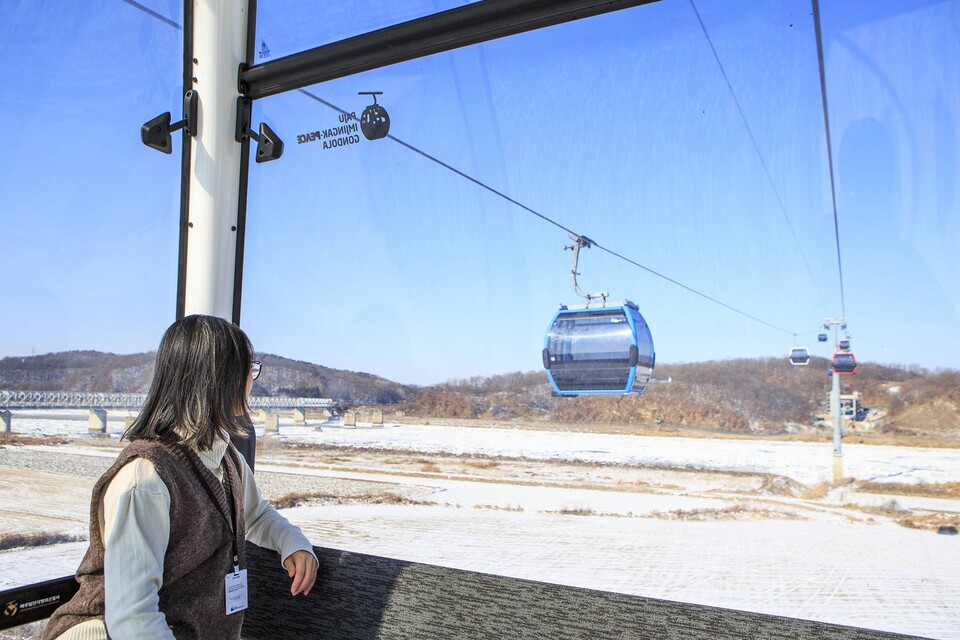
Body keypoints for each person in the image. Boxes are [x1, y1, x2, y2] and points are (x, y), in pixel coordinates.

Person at [43, 315, 318, 639]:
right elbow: (133, 620)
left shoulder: (227, 459)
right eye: (249, 370)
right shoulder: (144, 481)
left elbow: (255, 515)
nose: (252, 380)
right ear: (220, 378)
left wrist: (292, 542)